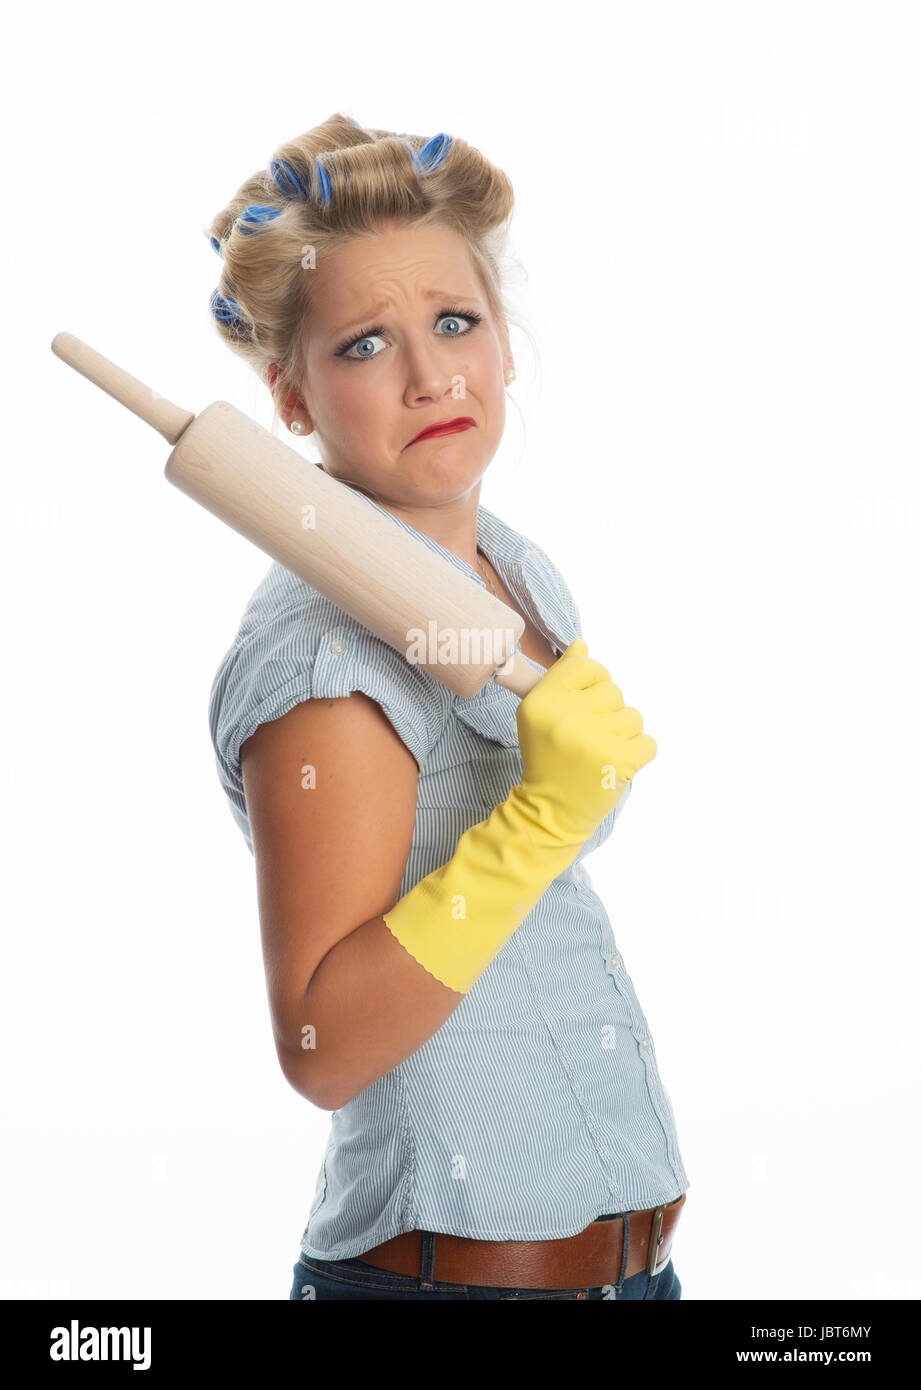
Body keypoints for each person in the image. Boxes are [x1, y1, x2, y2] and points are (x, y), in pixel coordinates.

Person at [206, 113, 690, 1301]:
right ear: (290, 392)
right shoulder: (325, 663)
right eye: (366, 344)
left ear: (506, 342)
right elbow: (322, 1044)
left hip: (634, 1277)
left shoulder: (519, 572)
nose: (432, 376)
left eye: (456, 322)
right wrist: (533, 825)